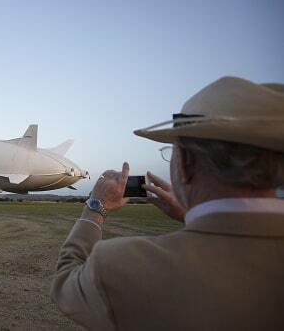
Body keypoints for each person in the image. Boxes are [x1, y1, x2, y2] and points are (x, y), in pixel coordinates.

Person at [50, 76, 284, 330]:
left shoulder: (122, 263)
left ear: (185, 163)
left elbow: (66, 284)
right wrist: (191, 214)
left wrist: (96, 205)